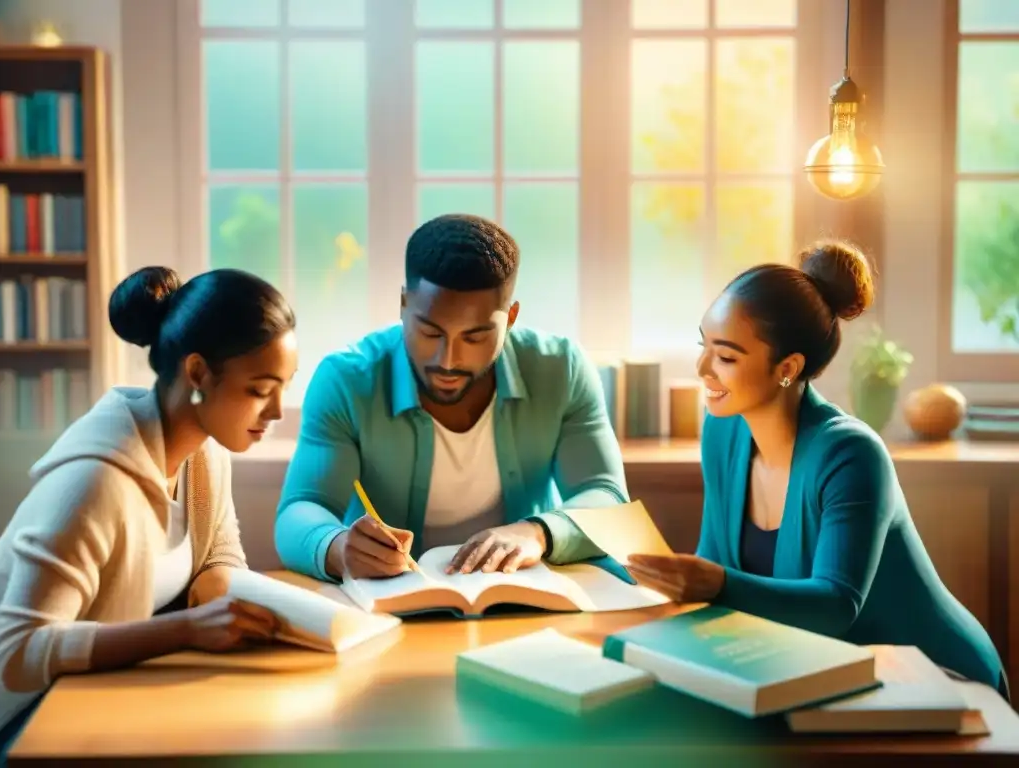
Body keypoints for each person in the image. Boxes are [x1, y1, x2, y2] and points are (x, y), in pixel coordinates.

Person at [626, 240, 1008, 700]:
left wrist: (716, 585)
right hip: (829, 673)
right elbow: (712, 564)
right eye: (702, 345)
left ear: (787, 368)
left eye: (726, 357)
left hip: (937, 680)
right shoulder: (722, 432)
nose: (702, 368)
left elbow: (835, 604)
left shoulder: (850, 454)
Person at [0, 266, 299, 756]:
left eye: (284, 387)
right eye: (261, 390)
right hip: (23, 724)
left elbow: (218, 557)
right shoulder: (93, 482)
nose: (278, 411)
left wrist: (261, 615)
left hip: (99, 703)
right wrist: (185, 630)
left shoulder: (205, 450)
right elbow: (16, 653)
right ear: (198, 373)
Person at [275, 213, 626, 582]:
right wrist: (337, 547)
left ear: (511, 317)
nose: (448, 359)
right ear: (403, 304)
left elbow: (606, 496)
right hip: (393, 604)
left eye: (475, 338)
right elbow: (301, 508)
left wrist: (537, 532)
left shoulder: (561, 368)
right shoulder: (346, 379)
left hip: (527, 600)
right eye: (429, 332)